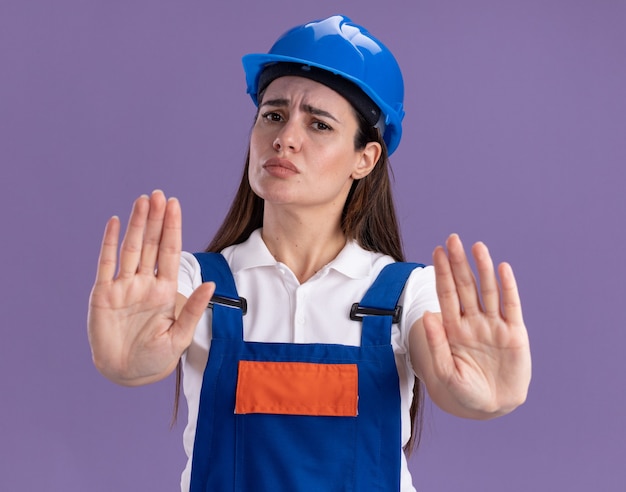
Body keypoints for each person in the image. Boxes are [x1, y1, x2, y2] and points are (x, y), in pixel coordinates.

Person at [88, 15, 531, 492]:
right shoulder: (198, 284)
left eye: (318, 124)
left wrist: (487, 399)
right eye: (273, 115)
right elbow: (141, 360)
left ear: (366, 158)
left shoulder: (408, 294)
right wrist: (127, 365)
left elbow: (452, 386)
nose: (285, 138)